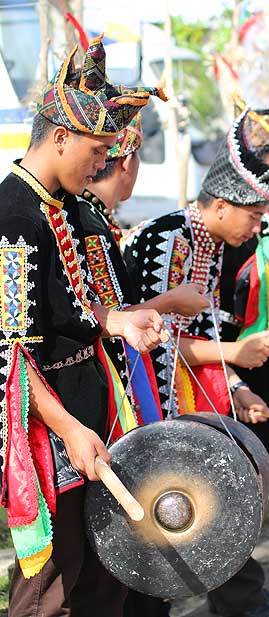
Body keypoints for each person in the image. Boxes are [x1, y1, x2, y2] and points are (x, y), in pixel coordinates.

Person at [122, 110, 269, 617]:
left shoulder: (207, 241)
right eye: (252, 218)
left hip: (189, 391)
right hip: (149, 400)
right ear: (224, 205)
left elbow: (200, 335)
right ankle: (236, 600)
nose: (256, 228)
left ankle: (241, 596)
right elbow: (155, 344)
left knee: (225, 489)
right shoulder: (170, 238)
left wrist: (239, 387)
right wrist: (234, 354)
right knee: (194, 499)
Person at [1, 35, 170, 616]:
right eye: (99, 150)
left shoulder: (66, 206)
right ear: (61, 137)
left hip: (92, 400)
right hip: (48, 419)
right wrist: (69, 428)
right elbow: (13, 354)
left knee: (108, 565)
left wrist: (119, 321)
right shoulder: (12, 216)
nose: (105, 163)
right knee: (52, 581)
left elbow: (71, 309)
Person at [78, 111, 210, 617]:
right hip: (100, 393)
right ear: (127, 162)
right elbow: (98, 317)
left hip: (118, 385)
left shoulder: (97, 223)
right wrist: (170, 301)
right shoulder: (84, 222)